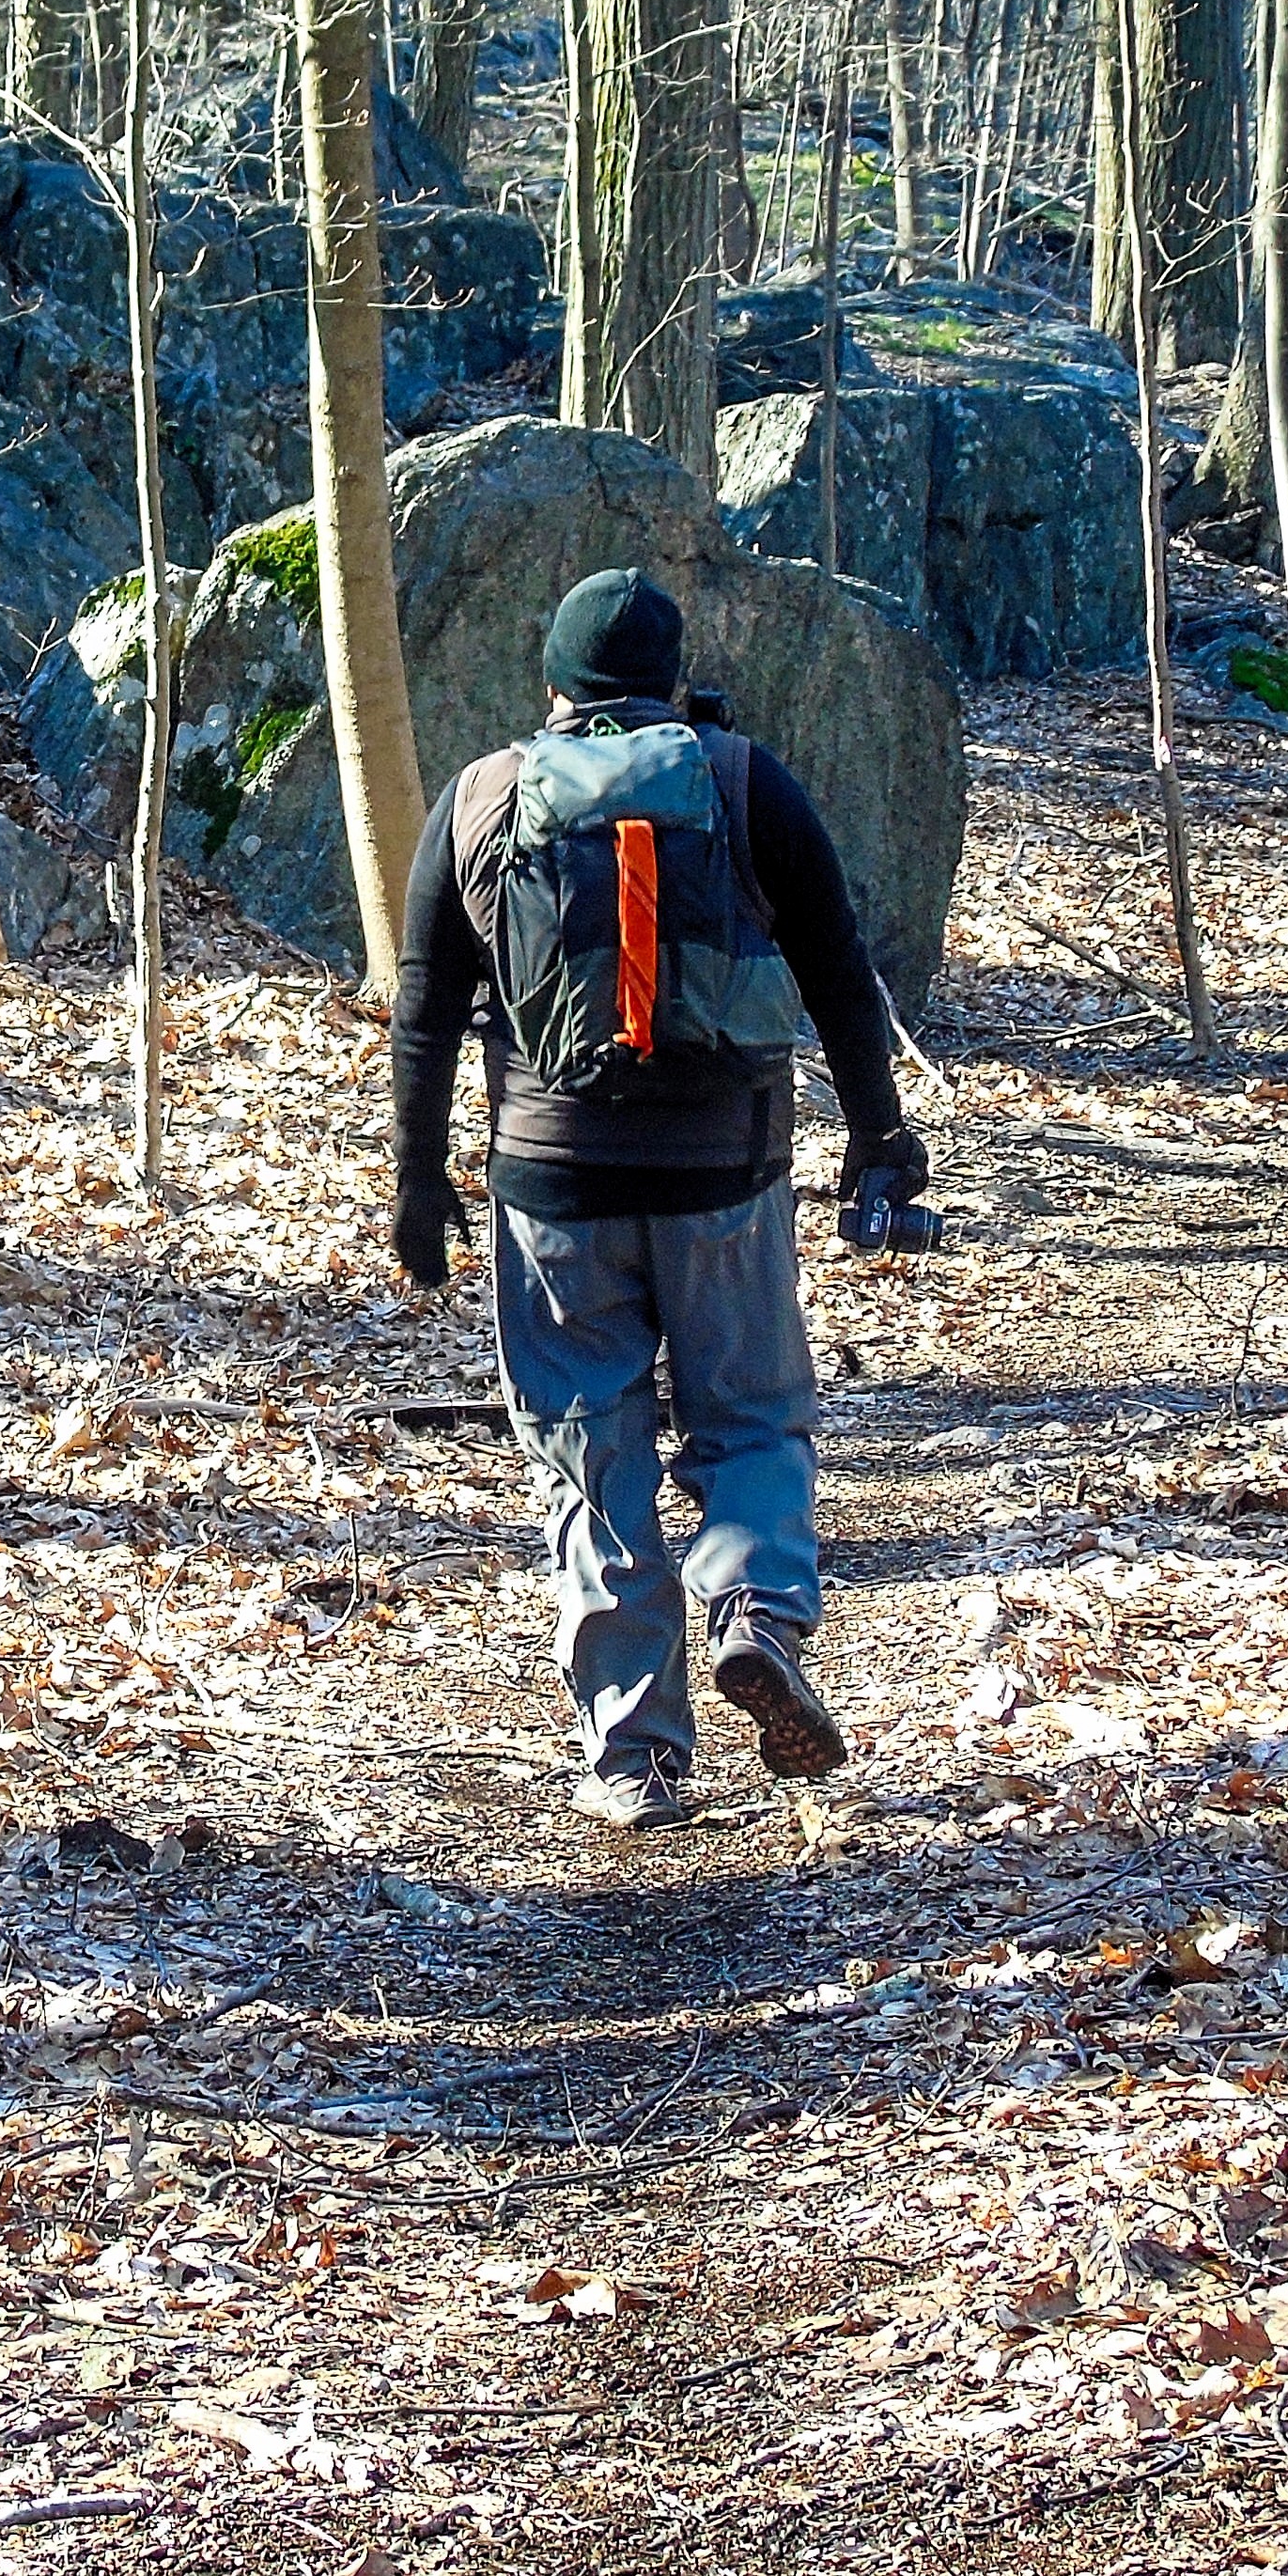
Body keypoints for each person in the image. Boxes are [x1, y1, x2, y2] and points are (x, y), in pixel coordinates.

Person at [385, 568, 927, 1828]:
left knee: (590, 1451)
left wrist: (418, 1180)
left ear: (555, 682)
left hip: (551, 1186)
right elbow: (844, 975)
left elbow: (423, 1012)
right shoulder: (743, 780)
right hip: (724, 1177)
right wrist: (879, 1138)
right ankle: (753, 1611)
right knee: (749, 1425)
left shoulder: (482, 796)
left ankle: (634, 1758)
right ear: (670, 678)